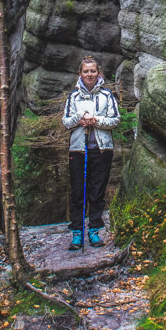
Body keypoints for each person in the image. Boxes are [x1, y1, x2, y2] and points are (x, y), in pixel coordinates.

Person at [61, 56, 120, 250]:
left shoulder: (106, 96)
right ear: (80, 74)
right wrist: (80, 118)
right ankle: (77, 233)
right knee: (79, 191)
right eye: (86, 71)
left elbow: (114, 120)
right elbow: (66, 121)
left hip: (102, 150)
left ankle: (94, 230)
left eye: (93, 71)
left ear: (98, 73)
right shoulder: (73, 97)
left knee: (97, 191)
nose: (89, 74)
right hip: (78, 150)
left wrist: (95, 120)